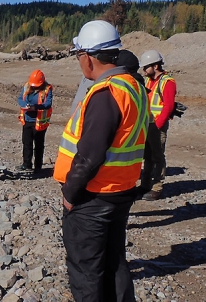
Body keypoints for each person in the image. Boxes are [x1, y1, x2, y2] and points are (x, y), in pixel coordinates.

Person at [53, 20, 149, 301]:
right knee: (114, 263)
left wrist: (70, 193)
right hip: (119, 192)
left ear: (89, 57)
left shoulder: (107, 93)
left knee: (87, 272)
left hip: (92, 198)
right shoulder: (132, 86)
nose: (79, 62)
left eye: (78, 55)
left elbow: (90, 155)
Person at [138, 50, 177, 201]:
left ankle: (157, 188)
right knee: (147, 156)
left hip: (157, 126)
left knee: (157, 156)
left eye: (146, 67)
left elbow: (167, 107)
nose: (143, 70)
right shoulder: (148, 81)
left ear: (155, 66)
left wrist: (157, 125)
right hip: (147, 124)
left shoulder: (168, 82)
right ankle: (145, 185)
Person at [16, 69, 53, 173]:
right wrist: (24, 105)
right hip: (27, 120)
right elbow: (20, 99)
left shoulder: (47, 89)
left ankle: (38, 167)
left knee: (39, 144)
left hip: (39, 122)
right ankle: (26, 164)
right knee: (26, 143)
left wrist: (35, 107)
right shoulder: (26, 86)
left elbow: (48, 104)